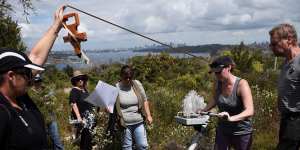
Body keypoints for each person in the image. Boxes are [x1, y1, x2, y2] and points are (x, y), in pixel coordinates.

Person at [0, 6, 65, 150]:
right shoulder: (3, 111)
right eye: (26, 74)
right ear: (11, 76)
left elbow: (35, 56)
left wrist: (56, 26)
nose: (31, 78)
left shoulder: (19, 97)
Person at [198, 56, 254, 150]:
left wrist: (231, 118)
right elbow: (215, 99)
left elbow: (250, 111)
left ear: (229, 67)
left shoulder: (241, 84)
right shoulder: (217, 83)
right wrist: (203, 110)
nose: (217, 75)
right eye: (215, 73)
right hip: (223, 130)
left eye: (219, 72)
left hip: (241, 133)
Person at [269, 23, 300, 150]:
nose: (271, 47)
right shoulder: (287, 61)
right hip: (287, 121)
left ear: (289, 40)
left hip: (296, 121)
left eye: (274, 43)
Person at [114, 65, 153, 150]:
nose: (128, 79)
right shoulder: (116, 87)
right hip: (124, 124)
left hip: (139, 121)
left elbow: (145, 100)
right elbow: (110, 107)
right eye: (126, 77)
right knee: (127, 147)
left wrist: (148, 115)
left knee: (142, 145)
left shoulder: (137, 84)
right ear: (121, 76)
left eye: (130, 77)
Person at [30, 74, 64, 150]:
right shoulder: (30, 93)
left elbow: (54, 101)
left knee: (56, 138)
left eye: (39, 81)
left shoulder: (46, 90)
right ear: (33, 82)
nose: (38, 83)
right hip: (38, 119)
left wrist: (51, 103)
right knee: (43, 140)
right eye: (36, 81)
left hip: (50, 116)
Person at [69, 70, 95, 150]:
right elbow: (73, 104)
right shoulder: (74, 90)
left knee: (86, 137)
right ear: (75, 81)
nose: (80, 80)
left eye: (82, 78)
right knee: (86, 137)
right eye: (78, 79)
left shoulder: (85, 90)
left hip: (88, 118)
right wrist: (79, 117)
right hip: (82, 119)